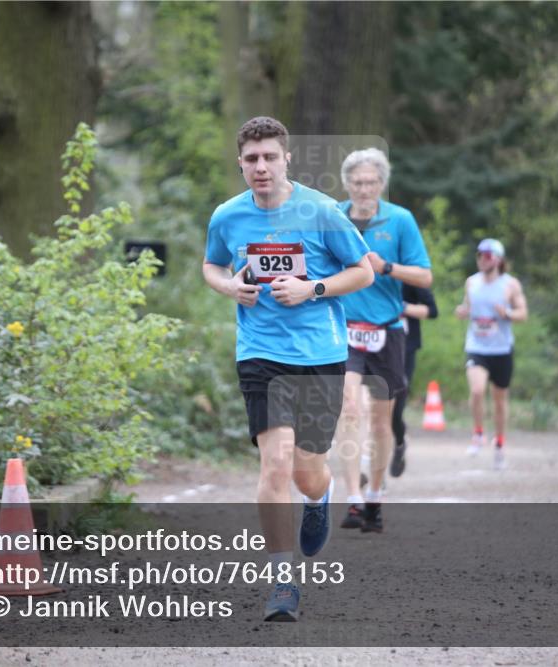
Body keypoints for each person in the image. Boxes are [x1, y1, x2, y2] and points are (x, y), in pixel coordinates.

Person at [203, 117, 373, 621]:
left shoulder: (320, 212)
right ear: (240, 162)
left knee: (308, 471)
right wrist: (230, 287)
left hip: (319, 356)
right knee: (274, 464)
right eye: (251, 158)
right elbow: (211, 265)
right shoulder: (227, 217)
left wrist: (312, 288)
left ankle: (320, 500)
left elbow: (363, 270)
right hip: (259, 353)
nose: (260, 167)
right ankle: (282, 581)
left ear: (286, 159)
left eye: (269, 157)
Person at [334, 148, 432, 533]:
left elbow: (425, 278)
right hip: (344, 330)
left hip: (388, 331)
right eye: (357, 182)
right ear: (347, 184)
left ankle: (375, 495)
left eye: (371, 182)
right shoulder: (333, 218)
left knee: (380, 420)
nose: (364, 188)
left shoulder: (401, 220)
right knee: (349, 407)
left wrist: (386, 267)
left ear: (382, 183)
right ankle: (353, 499)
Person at [454, 239, 527, 470]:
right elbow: (467, 306)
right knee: (476, 390)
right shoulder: (471, 282)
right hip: (477, 346)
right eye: (479, 255)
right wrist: (463, 311)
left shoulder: (510, 285)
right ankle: (478, 434)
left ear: (498, 259)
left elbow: (523, 313)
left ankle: (500, 444)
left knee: (499, 400)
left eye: (487, 255)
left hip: (501, 349)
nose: (482, 259)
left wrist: (507, 313)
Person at [389, 284, 438, 477]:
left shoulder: (408, 274)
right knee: (369, 408)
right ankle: (368, 467)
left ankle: (400, 441)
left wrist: (402, 307)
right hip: (371, 348)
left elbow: (432, 310)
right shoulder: (364, 267)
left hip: (404, 348)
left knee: (394, 411)